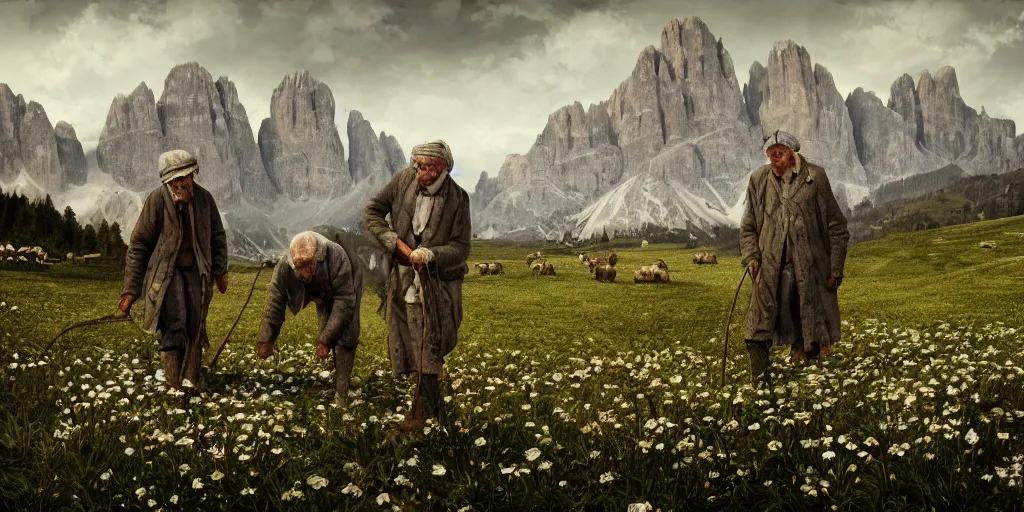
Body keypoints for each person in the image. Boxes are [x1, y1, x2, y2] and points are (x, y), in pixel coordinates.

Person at [362, 139, 471, 433]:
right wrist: (393, 242)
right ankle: (429, 412)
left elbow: (461, 248)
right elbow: (371, 212)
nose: (417, 170)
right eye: (416, 164)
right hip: (404, 279)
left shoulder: (458, 198)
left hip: (439, 284)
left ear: (441, 168)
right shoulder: (403, 181)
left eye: (423, 166)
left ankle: (422, 413)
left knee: (432, 340)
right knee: (415, 342)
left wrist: (432, 255)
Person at [740, 130, 850, 387]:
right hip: (769, 267)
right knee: (758, 323)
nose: (774, 162)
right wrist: (751, 258)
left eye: (778, 155)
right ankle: (760, 381)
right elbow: (748, 227)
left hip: (810, 268)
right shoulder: (759, 179)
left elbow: (837, 226)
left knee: (810, 321)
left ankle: (811, 382)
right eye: (770, 156)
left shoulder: (816, 178)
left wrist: (835, 267)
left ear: (792, 154)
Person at [119, 149, 228, 389]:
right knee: (174, 324)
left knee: (196, 326)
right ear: (167, 182)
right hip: (167, 277)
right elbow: (139, 246)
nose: (181, 184)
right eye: (175, 180)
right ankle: (173, 384)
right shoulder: (157, 201)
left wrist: (220, 271)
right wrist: (130, 291)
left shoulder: (205, 200)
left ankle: (191, 381)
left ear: (193, 176)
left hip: (197, 274)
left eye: (185, 178)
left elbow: (218, 237)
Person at [255, 231, 363, 406]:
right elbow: (275, 301)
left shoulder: (336, 255)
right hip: (321, 290)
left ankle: (341, 395)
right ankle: (336, 383)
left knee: (346, 335)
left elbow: (345, 300)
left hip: (348, 284)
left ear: (317, 257)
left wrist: (325, 340)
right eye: (300, 265)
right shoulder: (284, 266)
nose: (305, 271)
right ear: (292, 261)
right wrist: (266, 338)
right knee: (325, 328)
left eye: (309, 264)